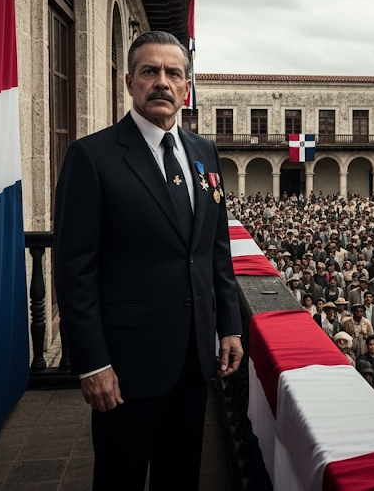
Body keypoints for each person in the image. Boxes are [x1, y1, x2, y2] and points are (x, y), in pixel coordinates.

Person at [53, 31, 243, 490]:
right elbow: (74, 271)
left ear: (186, 87)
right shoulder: (92, 156)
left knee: (181, 478)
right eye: (150, 71)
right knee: (120, 478)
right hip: (126, 366)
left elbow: (214, 247)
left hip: (195, 360)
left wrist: (230, 325)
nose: (162, 82)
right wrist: (92, 363)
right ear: (129, 81)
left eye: (173, 73)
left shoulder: (204, 153)